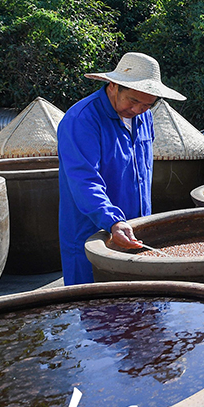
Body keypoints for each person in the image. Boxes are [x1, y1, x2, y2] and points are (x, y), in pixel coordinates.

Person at [58, 52, 186, 285]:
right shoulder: (82, 119)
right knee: (93, 300)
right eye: (132, 101)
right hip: (92, 230)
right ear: (113, 86)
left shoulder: (145, 118)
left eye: (147, 104)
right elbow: (84, 180)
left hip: (134, 228)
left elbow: (142, 172)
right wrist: (112, 220)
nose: (137, 110)